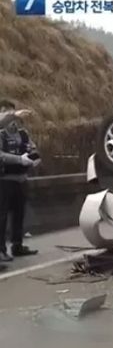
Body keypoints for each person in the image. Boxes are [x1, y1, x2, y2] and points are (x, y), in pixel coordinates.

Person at [0, 100, 39, 261]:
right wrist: (18, 160)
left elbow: (33, 148)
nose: (13, 120)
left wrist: (34, 158)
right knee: (2, 216)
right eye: (9, 115)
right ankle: (1, 249)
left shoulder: (22, 133)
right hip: (5, 180)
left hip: (21, 180)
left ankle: (17, 244)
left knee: (19, 214)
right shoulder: (1, 134)